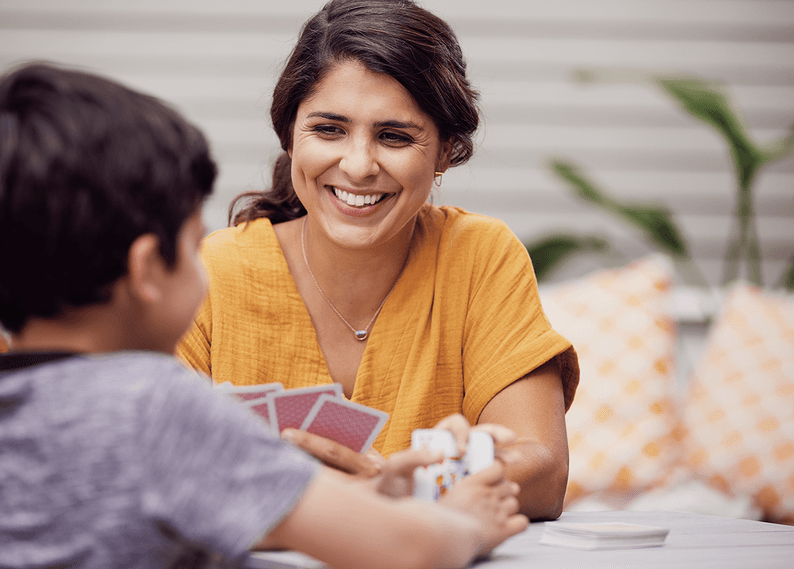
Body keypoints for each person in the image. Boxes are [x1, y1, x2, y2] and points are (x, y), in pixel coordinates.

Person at [0, 61, 528, 569]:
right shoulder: (158, 405)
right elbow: (409, 550)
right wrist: (467, 523)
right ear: (146, 271)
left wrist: (371, 492)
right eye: (190, 245)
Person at [177, 0, 580, 521]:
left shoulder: (481, 256)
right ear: (289, 135)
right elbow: (155, 472)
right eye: (328, 130)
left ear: (444, 152)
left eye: (393, 136)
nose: (358, 165)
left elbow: (543, 472)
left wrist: (399, 492)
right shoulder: (214, 271)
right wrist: (373, 499)